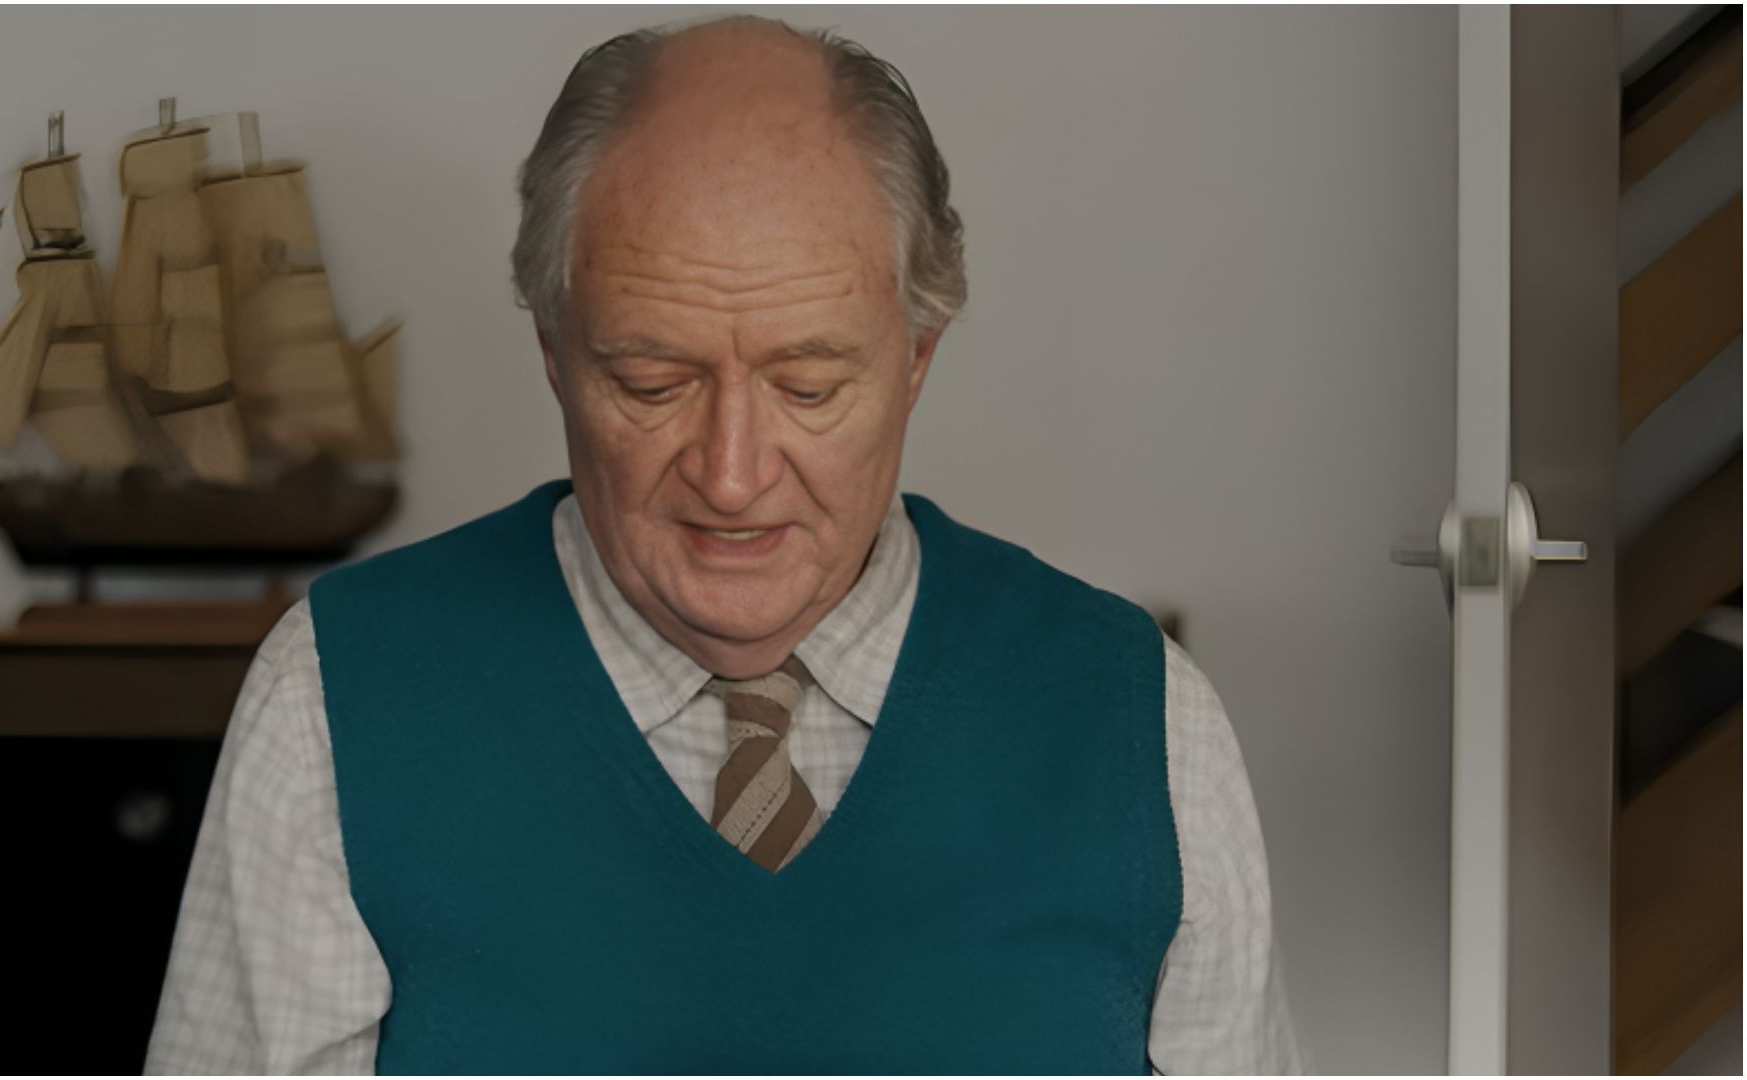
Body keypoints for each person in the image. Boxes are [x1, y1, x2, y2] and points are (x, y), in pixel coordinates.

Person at [146, 15, 1306, 1075]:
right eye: (653, 383)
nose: (732, 475)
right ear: (554, 351)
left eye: (808, 387)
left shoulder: (1145, 719)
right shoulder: (333, 699)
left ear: (916, 357)